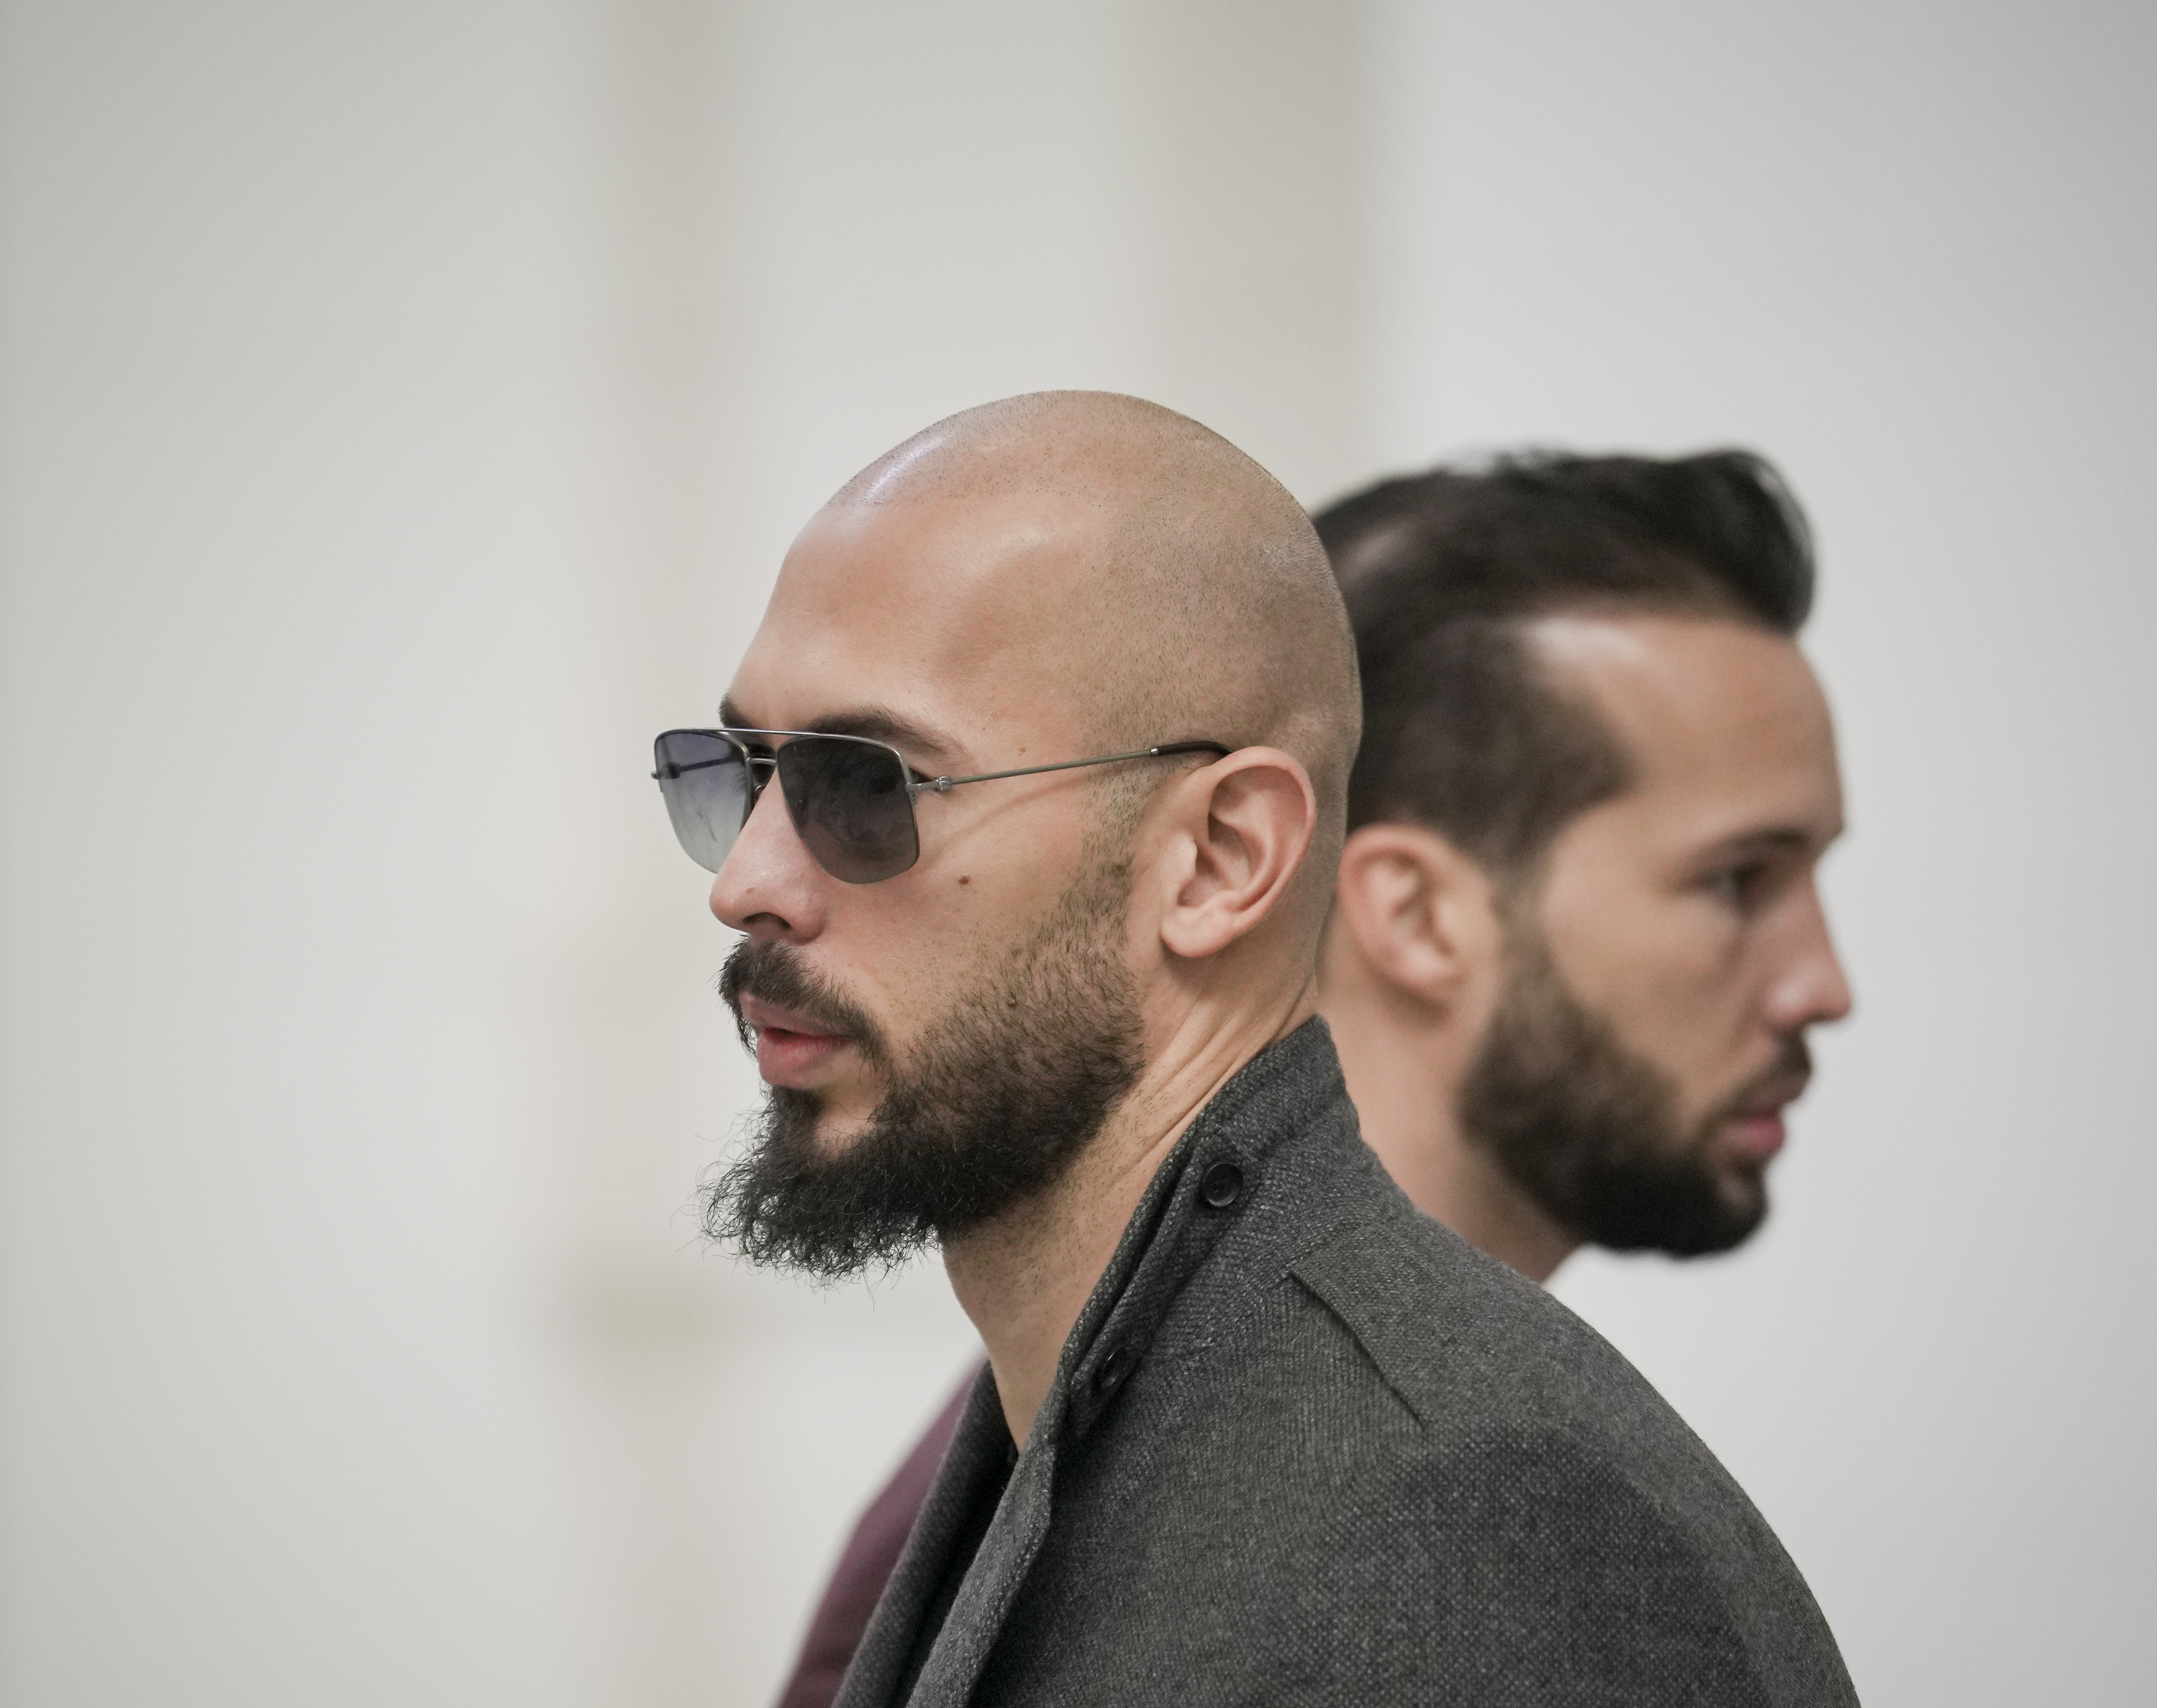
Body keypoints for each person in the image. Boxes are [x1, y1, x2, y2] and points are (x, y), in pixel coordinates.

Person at [667, 392, 1854, 1708]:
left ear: (1222, 858)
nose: (748, 881)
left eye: (865, 779)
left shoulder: (1467, 1533)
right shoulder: (1085, 1439)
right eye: (740, 773)